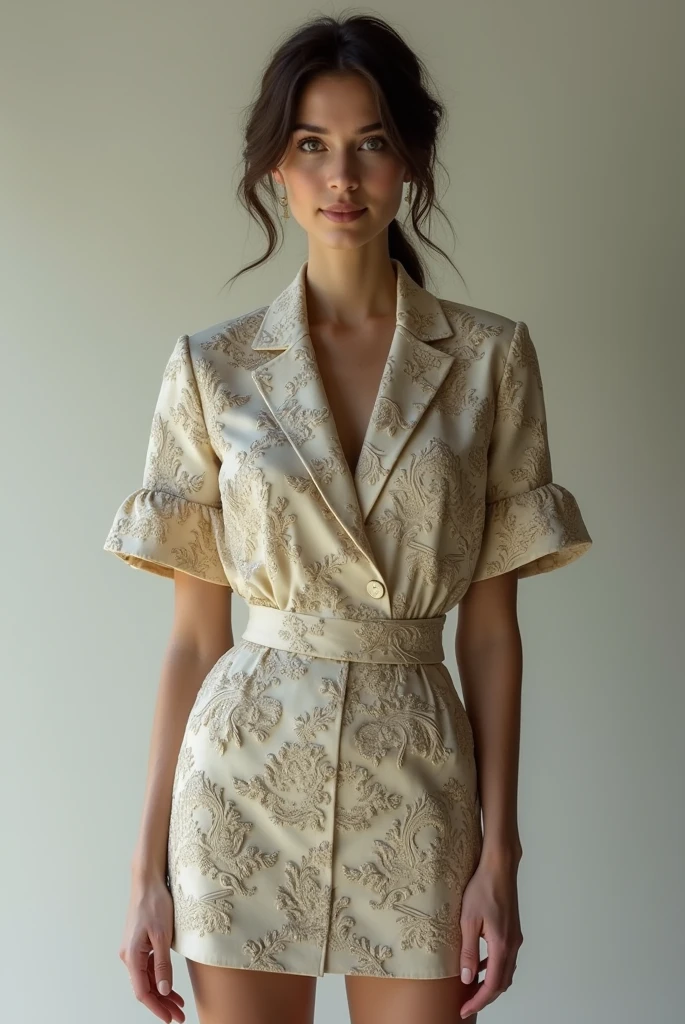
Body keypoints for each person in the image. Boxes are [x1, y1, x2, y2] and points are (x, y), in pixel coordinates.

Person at [103, 13, 592, 1024]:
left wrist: (499, 853)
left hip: (415, 783)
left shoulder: (489, 362)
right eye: (310, 146)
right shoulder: (214, 366)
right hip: (240, 790)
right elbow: (196, 639)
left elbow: (491, 634)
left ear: (406, 160)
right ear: (274, 170)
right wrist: (144, 868)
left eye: (370, 142)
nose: (342, 176)